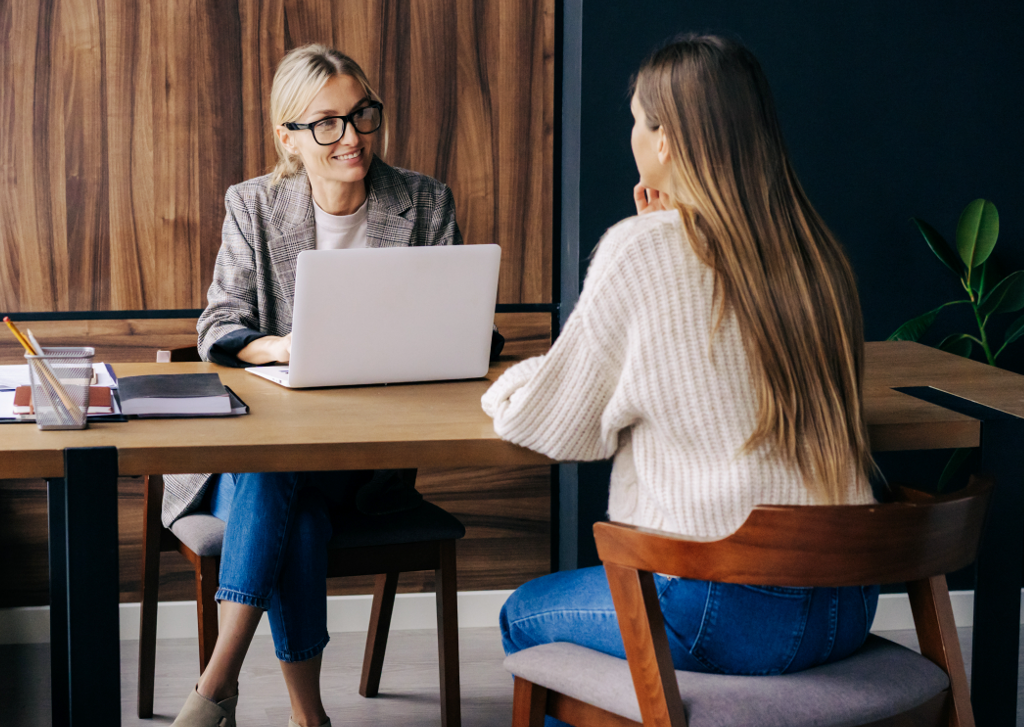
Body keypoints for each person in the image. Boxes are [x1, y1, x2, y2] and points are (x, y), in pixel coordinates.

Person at [482, 33, 879, 719]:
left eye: (638, 119)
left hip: (726, 609)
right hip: (850, 601)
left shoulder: (642, 251)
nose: (632, 134)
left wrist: (508, 383)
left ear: (666, 142)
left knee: (522, 614)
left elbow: (551, 419)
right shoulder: (817, 253)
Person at [166, 44, 463, 727]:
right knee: (281, 481)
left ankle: (215, 689)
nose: (352, 137)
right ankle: (307, 718)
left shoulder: (423, 202)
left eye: (362, 115)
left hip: (364, 461)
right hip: (255, 459)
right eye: (326, 123)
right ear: (288, 139)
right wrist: (281, 347)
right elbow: (219, 323)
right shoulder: (255, 205)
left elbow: (454, 328)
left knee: (289, 490)